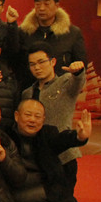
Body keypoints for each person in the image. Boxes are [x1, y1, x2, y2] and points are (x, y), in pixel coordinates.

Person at [22, 42, 86, 187]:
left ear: (53, 62)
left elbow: (78, 81)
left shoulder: (66, 82)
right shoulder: (27, 93)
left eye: (41, 62)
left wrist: (78, 72)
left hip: (63, 157)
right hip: (36, 159)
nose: (37, 67)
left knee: (64, 198)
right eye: (32, 64)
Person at [17, 0, 87, 85]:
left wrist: (76, 70)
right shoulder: (23, 32)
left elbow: (81, 66)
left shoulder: (72, 33)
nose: (41, 8)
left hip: (62, 88)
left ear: (57, 6)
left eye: (47, 4)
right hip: (29, 88)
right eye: (38, 4)